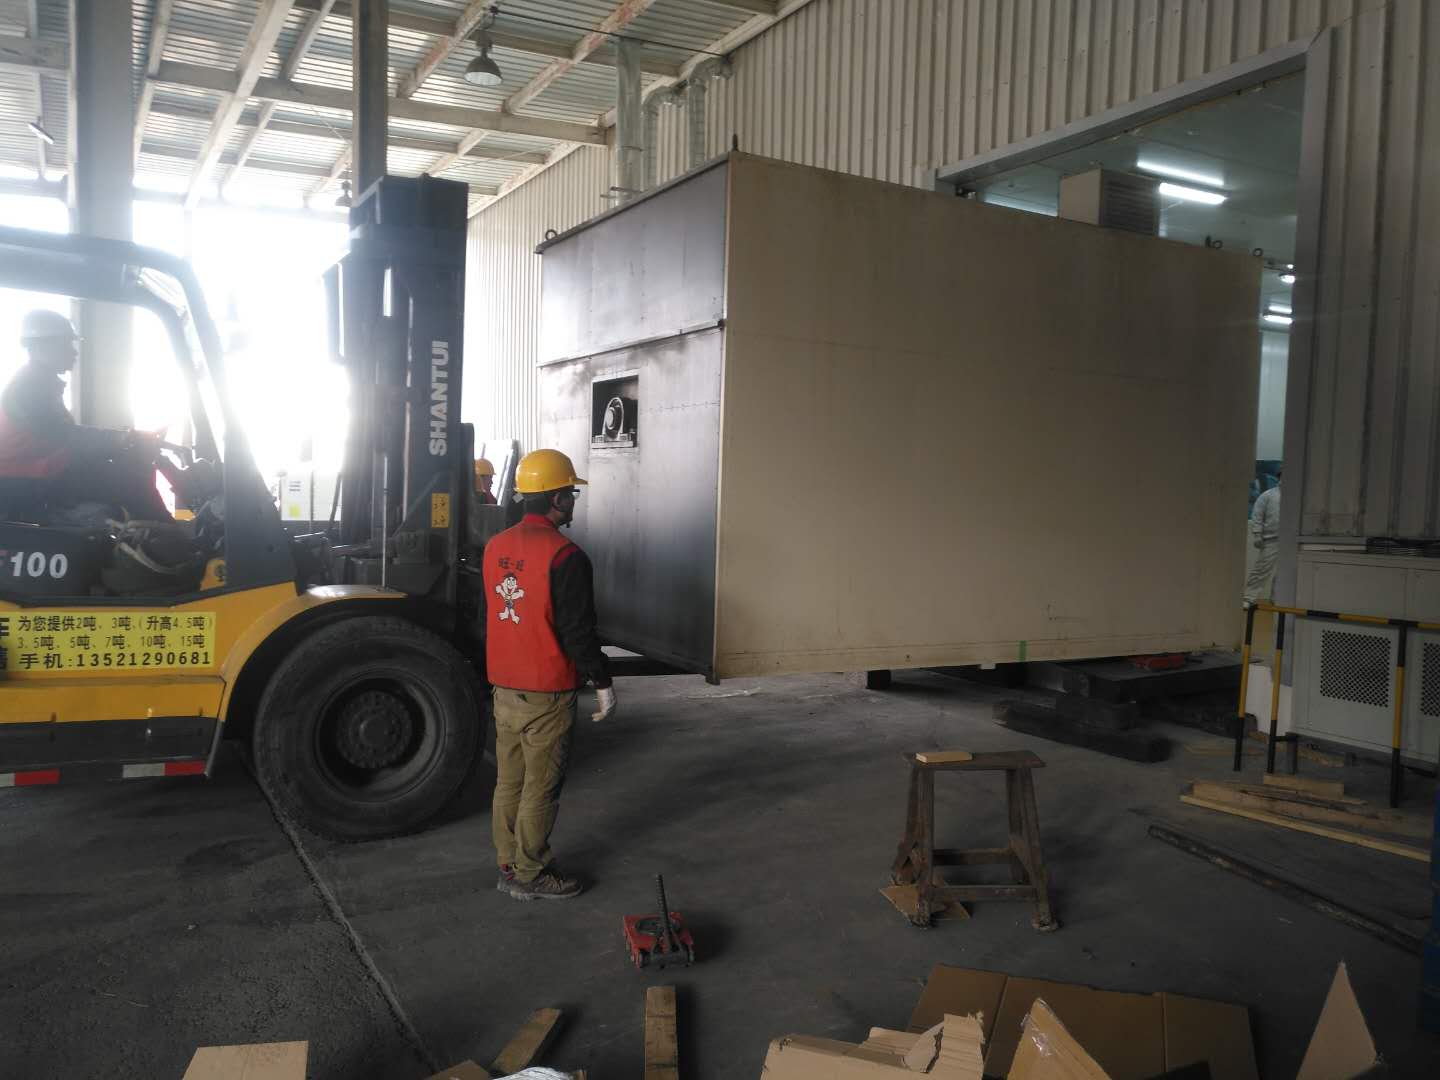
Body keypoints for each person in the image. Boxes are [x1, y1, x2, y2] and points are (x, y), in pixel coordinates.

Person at [483, 447, 615, 901]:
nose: (573, 502)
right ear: (556, 498)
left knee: (510, 781)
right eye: (571, 493)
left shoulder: (496, 546)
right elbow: (579, 632)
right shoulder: (565, 556)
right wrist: (602, 681)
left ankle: (509, 862)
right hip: (546, 690)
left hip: (504, 686)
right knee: (541, 787)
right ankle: (531, 872)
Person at [0, 310, 168, 520]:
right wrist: (121, 439)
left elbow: (65, 434)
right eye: (65, 344)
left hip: (38, 471)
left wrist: (122, 439)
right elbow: (64, 436)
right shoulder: (28, 389)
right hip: (24, 482)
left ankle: (151, 534)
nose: (74, 352)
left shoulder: (39, 382)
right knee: (131, 482)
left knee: (123, 471)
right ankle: (170, 538)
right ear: (41, 346)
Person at [1244, 468, 1281, 606]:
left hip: (1289, 541)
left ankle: (1277, 598)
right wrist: (1257, 534)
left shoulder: (1296, 497)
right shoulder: (1268, 495)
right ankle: (1248, 598)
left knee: (1283, 572)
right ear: (1279, 477)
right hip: (1270, 540)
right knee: (1261, 570)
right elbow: (1257, 515)